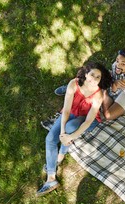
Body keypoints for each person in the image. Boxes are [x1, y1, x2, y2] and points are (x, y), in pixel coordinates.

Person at [41, 45, 125, 129]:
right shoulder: (116, 66)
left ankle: (72, 122)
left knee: (107, 115)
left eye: (123, 63)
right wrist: (113, 87)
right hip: (115, 87)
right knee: (95, 86)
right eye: (118, 60)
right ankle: (74, 87)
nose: (118, 65)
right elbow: (112, 79)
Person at [36, 62, 112, 196]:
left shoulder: (98, 95)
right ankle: (51, 178)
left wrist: (69, 137)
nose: (93, 79)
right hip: (71, 112)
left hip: (86, 119)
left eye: (98, 77)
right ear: (86, 73)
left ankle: (60, 156)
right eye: (92, 74)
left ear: (101, 79)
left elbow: (88, 121)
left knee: (70, 128)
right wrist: (62, 133)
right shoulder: (74, 84)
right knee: (50, 139)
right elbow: (65, 110)